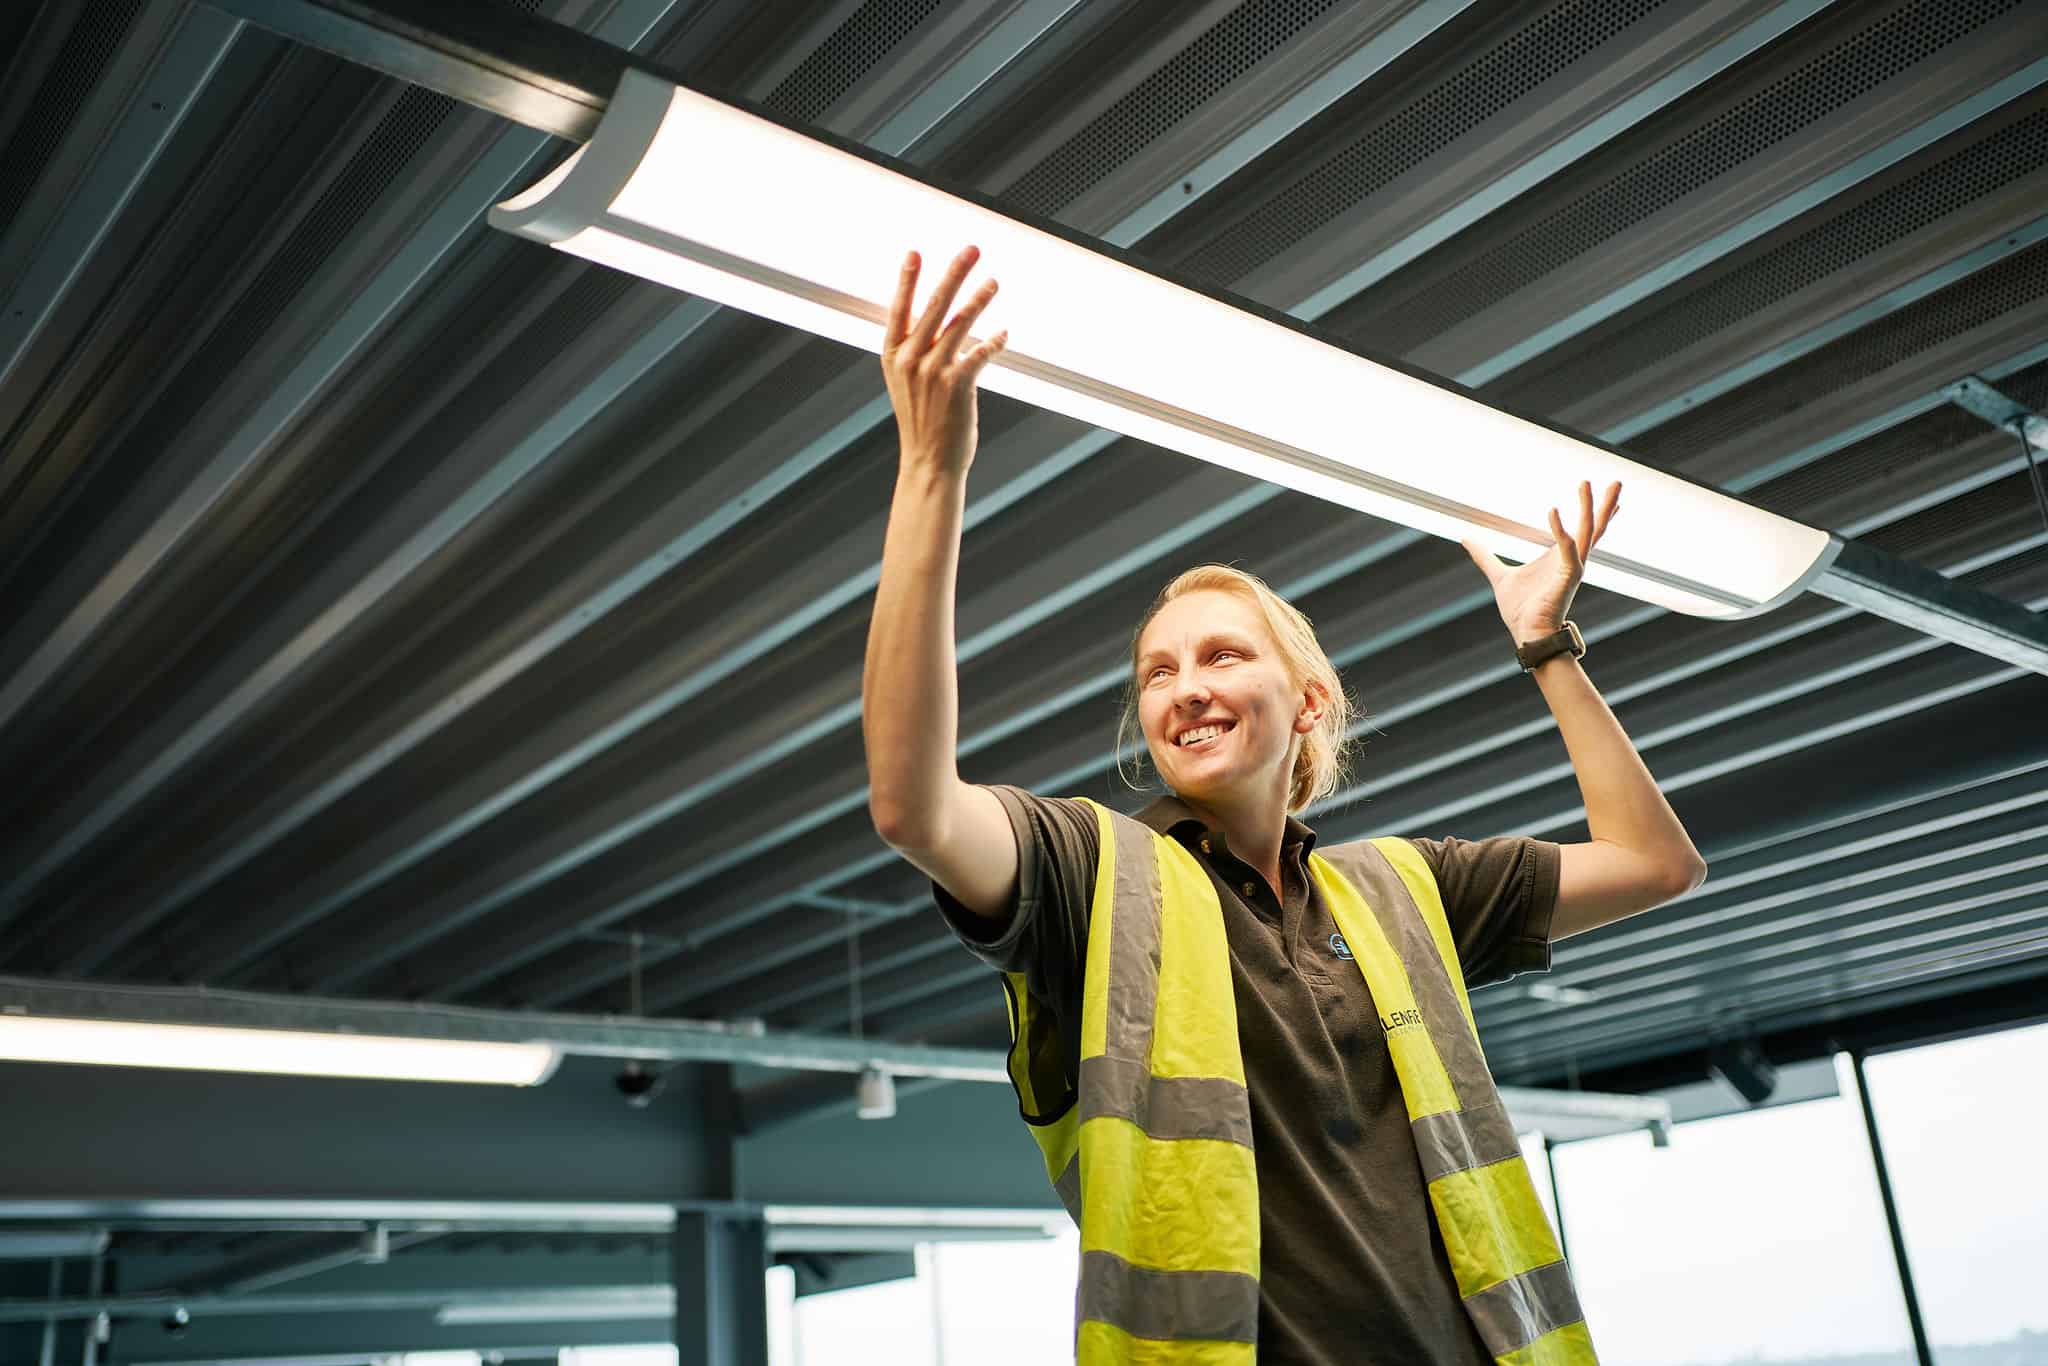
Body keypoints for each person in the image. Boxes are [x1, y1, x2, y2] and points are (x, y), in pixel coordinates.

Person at [862, 244, 1707, 1365]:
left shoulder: (1398, 891)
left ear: (1306, 700)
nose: (1184, 687)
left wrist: (1545, 648)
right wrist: (932, 468)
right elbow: (913, 807)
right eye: (1157, 673)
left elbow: (1654, 862)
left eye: (1219, 656)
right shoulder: (1093, 870)